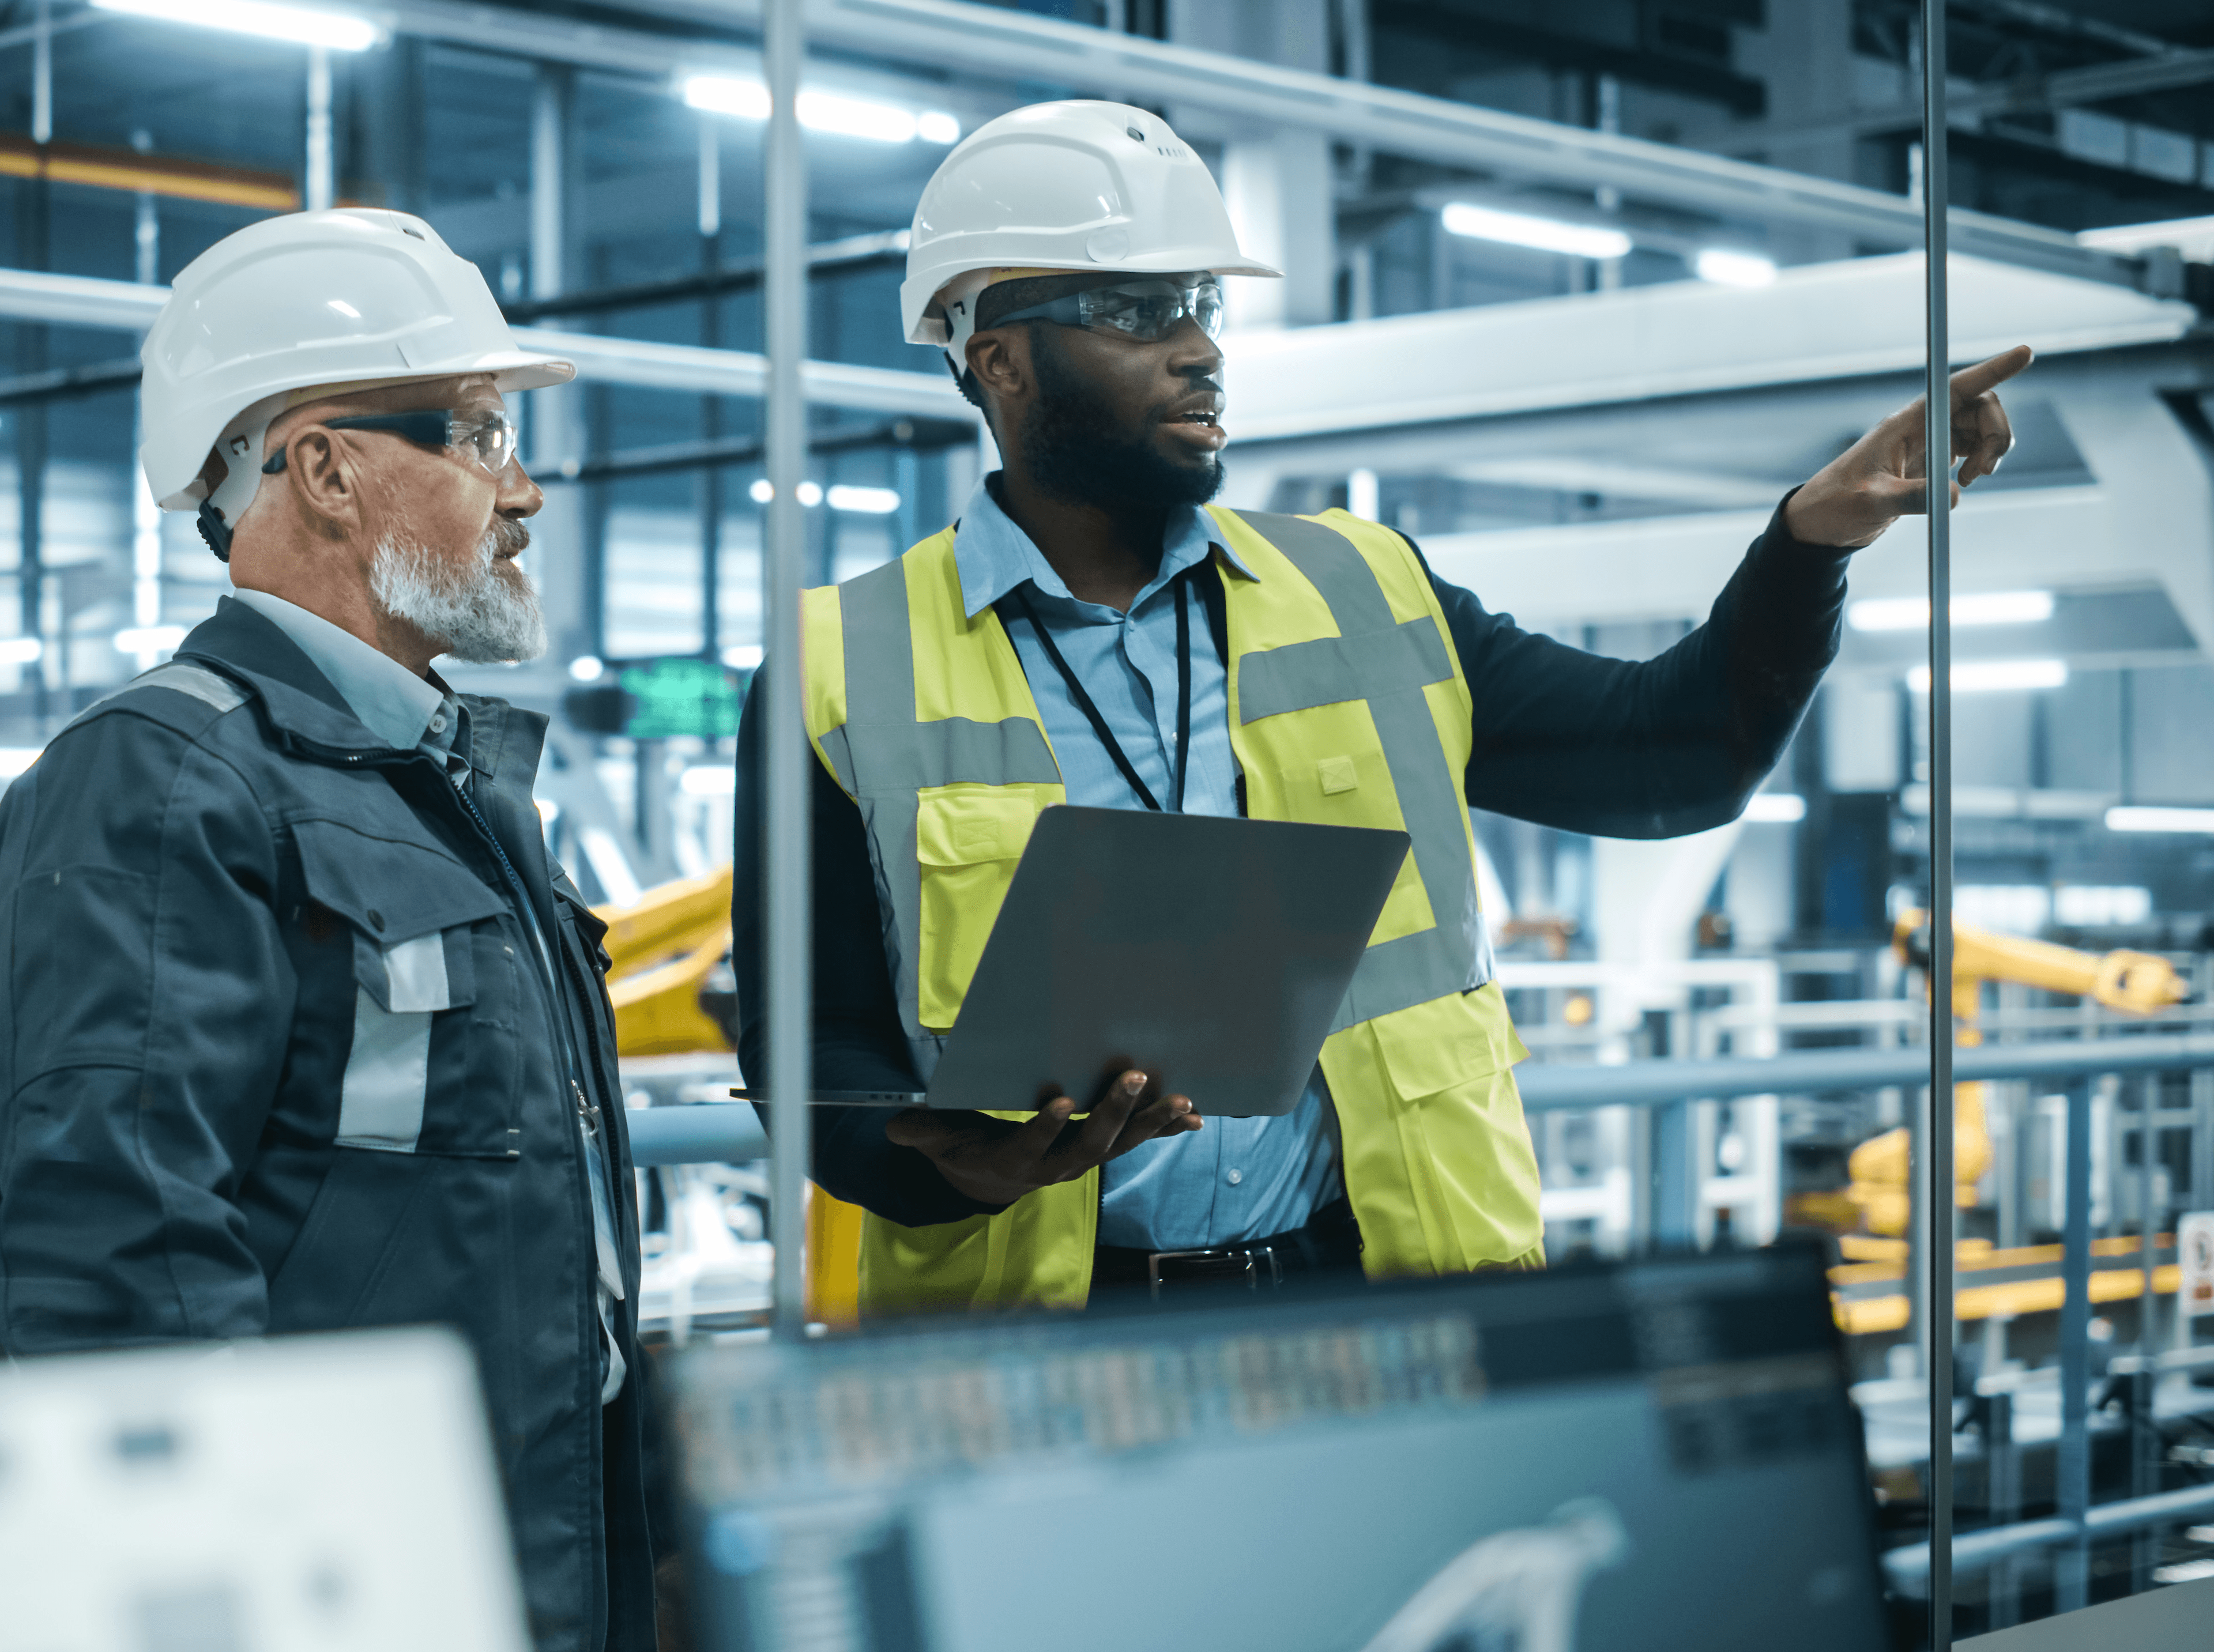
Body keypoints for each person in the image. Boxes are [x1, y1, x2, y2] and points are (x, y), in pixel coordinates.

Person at [733, 100, 2029, 1316]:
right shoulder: (837, 665)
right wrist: (958, 1165)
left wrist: (1812, 540)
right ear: (998, 360)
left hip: (1369, 1306)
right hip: (1048, 1353)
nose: (1199, 345)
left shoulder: (1369, 591)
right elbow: (818, 1055)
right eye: (1133, 310)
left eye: (1198, 302)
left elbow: (1673, 758)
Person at [0, 210, 661, 1652]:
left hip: (539, 1547)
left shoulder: (454, 786)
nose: (527, 487)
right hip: (351, 1592)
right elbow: (116, 1262)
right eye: (482, 434)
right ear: (328, 468)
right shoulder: (169, 777)